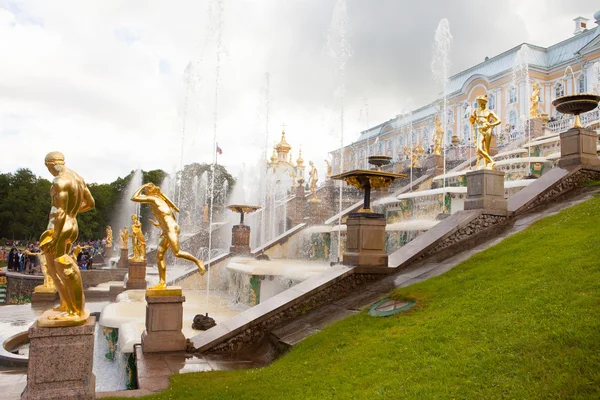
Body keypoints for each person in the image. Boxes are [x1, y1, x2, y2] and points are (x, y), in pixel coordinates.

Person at [40, 151, 95, 323]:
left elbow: (60, 211)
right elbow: (90, 204)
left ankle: (75, 310)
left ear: (50, 164)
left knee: (62, 267)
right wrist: (74, 212)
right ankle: (66, 305)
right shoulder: (78, 178)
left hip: (58, 227)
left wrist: (55, 237)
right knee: (55, 268)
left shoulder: (59, 180)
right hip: (72, 225)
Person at [131, 182, 205, 289]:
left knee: (177, 253)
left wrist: (143, 185)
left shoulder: (154, 199)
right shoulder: (159, 202)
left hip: (170, 229)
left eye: (146, 191)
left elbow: (134, 197)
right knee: (159, 256)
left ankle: (198, 262)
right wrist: (159, 225)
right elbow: (169, 217)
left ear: (151, 192)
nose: (145, 193)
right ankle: (162, 283)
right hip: (167, 230)